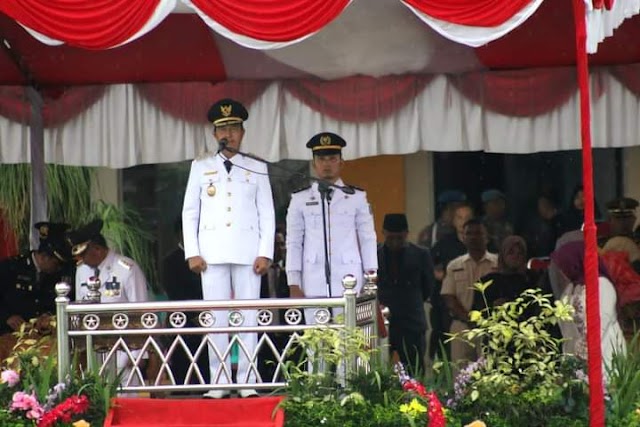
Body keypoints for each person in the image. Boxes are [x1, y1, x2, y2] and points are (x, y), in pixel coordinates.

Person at [182, 98, 275, 399]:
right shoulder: (201, 166)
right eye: (223, 128)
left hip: (249, 253)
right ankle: (219, 380)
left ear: (242, 132)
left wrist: (266, 251)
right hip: (211, 254)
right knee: (216, 319)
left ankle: (248, 380)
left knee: (248, 317)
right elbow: (190, 212)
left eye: (234, 128)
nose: (229, 134)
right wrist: (192, 251)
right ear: (214, 134)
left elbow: (267, 213)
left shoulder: (257, 166)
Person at [286, 132, 378, 323]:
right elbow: (294, 242)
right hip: (313, 279)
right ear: (314, 164)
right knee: (316, 341)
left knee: (350, 338)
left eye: (332, 159)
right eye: (321, 159)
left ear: (341, 163)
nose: (327, 164)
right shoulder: (300, 199)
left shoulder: (356, 197)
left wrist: (371, 276)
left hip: (349, 277)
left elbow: (368, 238)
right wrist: (293, 281)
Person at [67, 219, 149, 389]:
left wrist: (137, 355)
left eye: (83, 255)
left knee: (126, 405)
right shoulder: (82, 271)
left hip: (123, 354)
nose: (80, 260)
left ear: (96, 249)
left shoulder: (126, 268)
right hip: (93, 355)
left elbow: (141, 312)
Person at [550, 240, 626, 369]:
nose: (561, 270)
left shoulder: (601, 285)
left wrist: (583, 353)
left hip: (604, 356)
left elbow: (600, 322)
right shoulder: (570, 289)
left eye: (564, 264)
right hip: (576, 362)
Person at [377, 213, 434, 376]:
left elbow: (428, 287)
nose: (395, 242)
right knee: (377, 372)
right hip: (382, 323)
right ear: (383, 233)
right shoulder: (374, 254)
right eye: (391, 238)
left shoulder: (421, 254)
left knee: (414, 372)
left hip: (411, 324)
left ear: (406, 234)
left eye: (399, 238)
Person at [0, 222, 73, 339]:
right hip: (9, 335)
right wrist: (6, 317)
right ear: (44, 257)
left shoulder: (58, 274)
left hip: (44, 337)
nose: (58, 268)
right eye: (56, 263)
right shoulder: (11, 267)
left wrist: (48, 315)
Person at [161, 217, 210, 389]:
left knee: (206, 372)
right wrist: (195, 315)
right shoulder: (171, 261)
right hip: (182, 324)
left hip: (207, 324)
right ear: (179, 235)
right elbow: (175, 293)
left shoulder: (208, 257)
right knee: (182, 375)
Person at [441, 218, 497, 364]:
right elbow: (449, 297)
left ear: (487, 237)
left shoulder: (497, 263)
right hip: (462, 327)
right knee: (461, 375)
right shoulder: (454, 265)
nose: (473, 237)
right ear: (463, 237)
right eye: (469, 233)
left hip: (491, 328)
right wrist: (468, 318)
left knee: (489, 372)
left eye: (478, 233)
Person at [429, 202, 474, 359]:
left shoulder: (481, 242)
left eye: (467, 217)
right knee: (446, 349)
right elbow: (428, 264)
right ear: (454, 221)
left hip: (474, 302)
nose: (463, 221)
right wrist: (438, 274)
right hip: (447, 306)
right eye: (459, 217)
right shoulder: (444, 244)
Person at [481, 189, 513, 253]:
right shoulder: (480, 225)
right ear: (486, 207)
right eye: (496, 203)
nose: (502, 206)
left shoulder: (507, 224)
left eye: (502, 203)